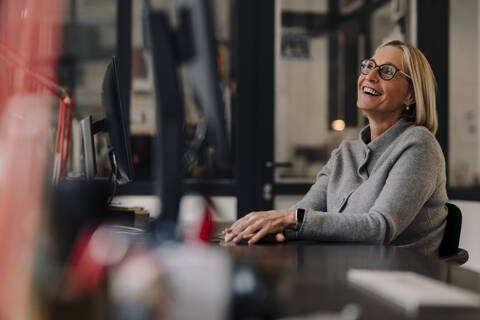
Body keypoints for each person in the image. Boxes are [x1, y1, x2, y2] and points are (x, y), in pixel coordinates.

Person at [223, 40, 448, 256]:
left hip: (397, 280)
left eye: (387, 71)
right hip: (345, 269)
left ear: (410, 94)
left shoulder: (419, 145)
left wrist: (290, 220)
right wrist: (270, 230)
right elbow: (306, 211)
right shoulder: (345, 152)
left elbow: (380, 228)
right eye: (368, 66)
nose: (370, 76)